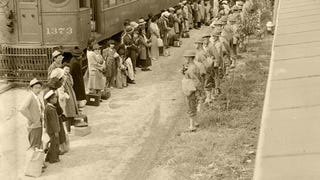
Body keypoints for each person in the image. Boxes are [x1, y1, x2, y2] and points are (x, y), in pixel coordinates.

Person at [19, 78, 44, 150]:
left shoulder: (36, 97)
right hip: (34, 125)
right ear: (31, 88)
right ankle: (33, 160)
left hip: (38, 123)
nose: (38, 90)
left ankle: (37, 160)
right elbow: (22, 109)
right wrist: (32, 119)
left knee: (38, 142)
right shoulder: (30, 97)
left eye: (39, 88)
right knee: (34, 144)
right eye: (36, 88)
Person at [181, 50, 201, 132]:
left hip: (191, 89)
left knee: (190, 106)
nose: (185, 59)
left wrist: (197, 90)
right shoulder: (193, 66)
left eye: (186, 57)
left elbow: (195, 80)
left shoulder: (191, 68)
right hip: (193, 88)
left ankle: (192, 126)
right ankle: (195, 122)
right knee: (193, 105)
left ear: (189, 58)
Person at [43, 90, 60, 163]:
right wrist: (56, 131)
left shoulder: (47, 107)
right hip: (53, 130)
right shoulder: (51, 109)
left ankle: (48, 158)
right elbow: (53, 122)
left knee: (52, 143)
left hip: (49, 129)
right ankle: (53, 159)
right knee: (54, 144)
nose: (56, 99)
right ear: (50, 100)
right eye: (54, 98)